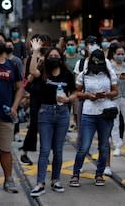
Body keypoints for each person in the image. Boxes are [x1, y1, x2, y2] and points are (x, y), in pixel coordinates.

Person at [30, 45, 76, 197]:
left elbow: (76, 91)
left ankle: (56, 179)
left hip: (63, 113)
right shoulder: (43, 72)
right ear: (47, 58)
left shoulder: (67, 74)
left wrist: (68, 99)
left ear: (61, 58)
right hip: (45, 112)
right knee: (44, 149)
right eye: (51, 56)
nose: (54, 58)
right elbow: (32, 72)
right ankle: (40, 183)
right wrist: (36, 52)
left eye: (57, 56)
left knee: (58, 149)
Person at [69, 49, 118, 187]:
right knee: (84, 146)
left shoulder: (109, 74)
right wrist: (88, 96)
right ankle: (75, 174)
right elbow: (77, 92)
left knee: (104, 146)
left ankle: (99, 174)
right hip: (88, 113)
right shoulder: (83, 75)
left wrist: (106, 94)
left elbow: (116, 92)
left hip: (105, 113)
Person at [0, 31, 24, 194]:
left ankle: (8, 180)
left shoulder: (12, 65)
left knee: (6, 150)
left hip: (6, 116)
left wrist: (15, 107)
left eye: (1, 41)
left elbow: (20, 88)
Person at [19, 35, 50, 165]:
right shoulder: (31, 59)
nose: (40, 45)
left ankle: (45, 154)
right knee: (34, 125)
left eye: (42, 43)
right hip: (36, 96)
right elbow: (29, 78)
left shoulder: (51, 58)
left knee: (47, 127)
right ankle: (25, 152)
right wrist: (38, 60)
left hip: (49, 96)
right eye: (36, 43)